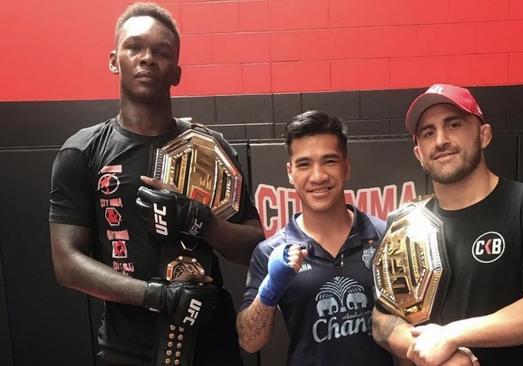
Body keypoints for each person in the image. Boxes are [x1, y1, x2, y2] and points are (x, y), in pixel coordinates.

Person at [49, 3, 264, 365]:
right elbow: (66, 263)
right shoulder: (83, 151)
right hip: (126, 349)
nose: (147, 59)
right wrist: (155, 296)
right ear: (114, 60)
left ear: (176, 72)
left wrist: (201, 222)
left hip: (210, 345)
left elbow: (253, 248)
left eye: (161, 52)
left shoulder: (210, 150)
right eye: (134, 47)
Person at [371, 83, 523, 366]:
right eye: (428, 132)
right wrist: (421, 349)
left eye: (454, 124)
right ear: (419, 152)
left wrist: (451, 336)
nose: (441, 140)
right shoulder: (404, 222)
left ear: (484, 135)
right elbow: (382, 318)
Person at [236, 111, 396, 365]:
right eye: (304, 164)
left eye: (329, 161)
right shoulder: (271, 251)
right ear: (290, 173)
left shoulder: (385, 236)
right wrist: (269, 289)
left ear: (346, 167)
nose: (318, 176)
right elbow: (249, 340)